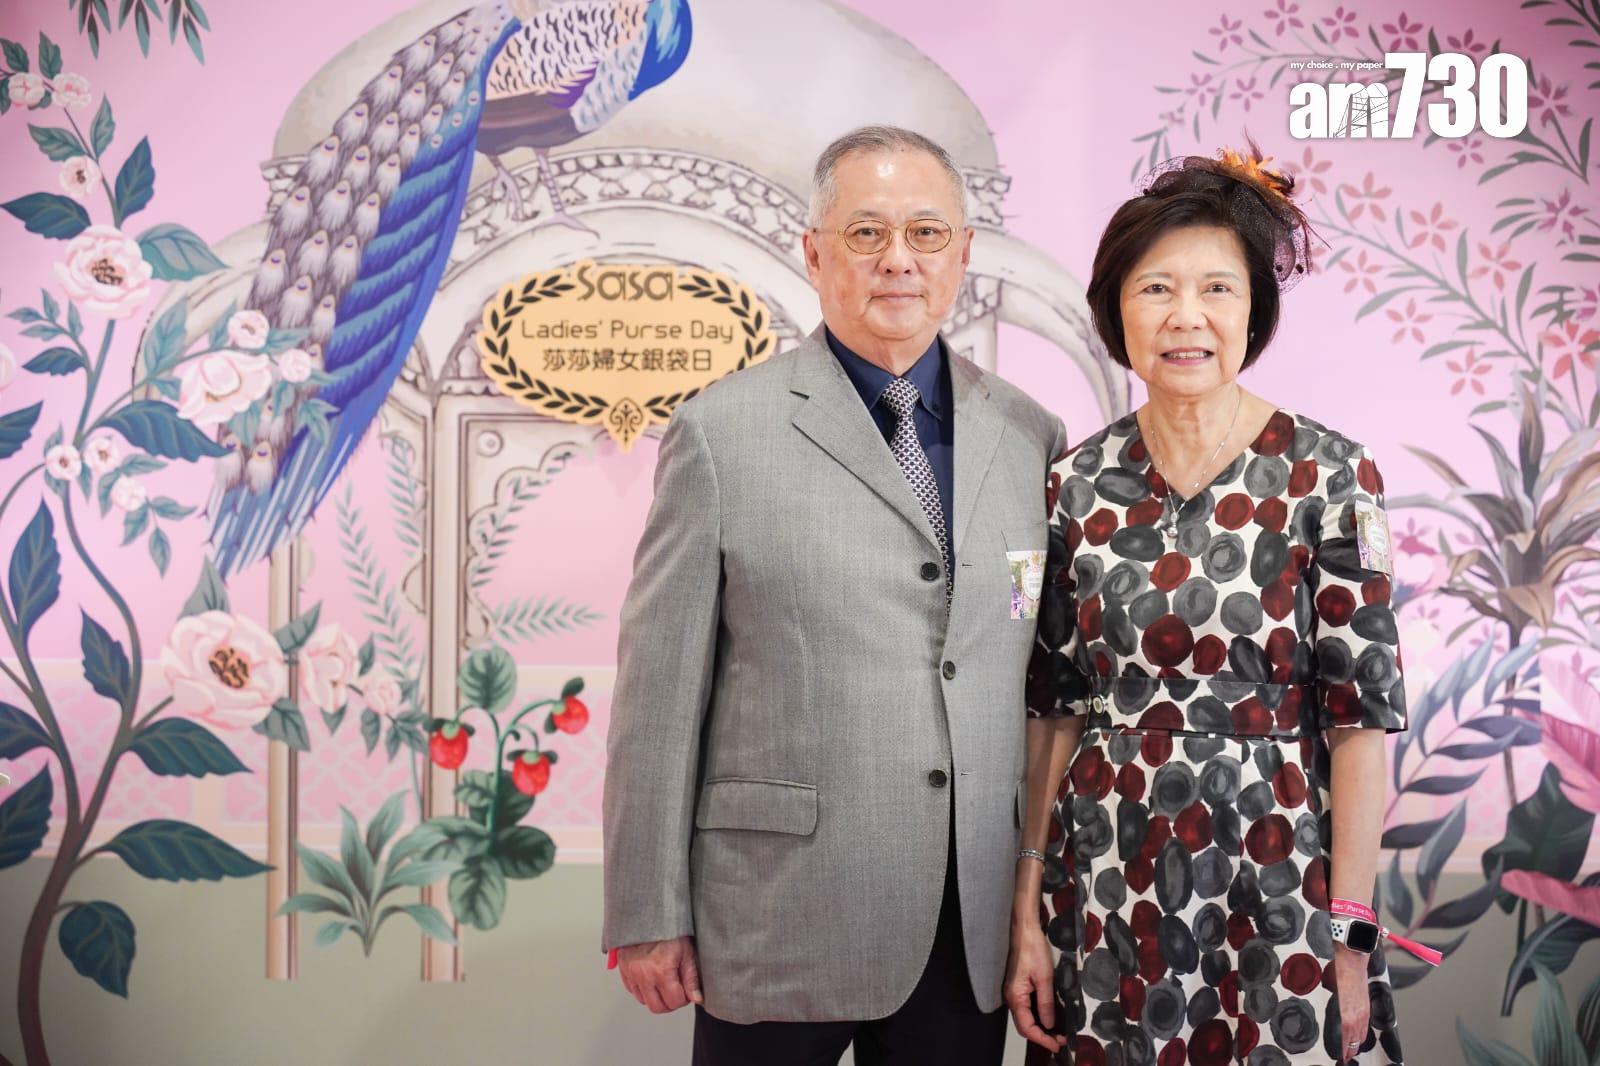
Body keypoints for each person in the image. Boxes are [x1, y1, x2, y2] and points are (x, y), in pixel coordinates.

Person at [602, 124, 1067, 1066]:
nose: (899, 259)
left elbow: (1039, 685)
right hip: (777, 909)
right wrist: (647, 909)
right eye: (866, 233)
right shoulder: (721, 434)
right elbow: (658, 697)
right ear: (814, 253)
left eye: (927, 233)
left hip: (964, 918)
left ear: (963, 254)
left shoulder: (1032, 436)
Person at [1005, 145, 1413, 1065]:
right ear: (1116, 310)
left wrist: (1350, 933)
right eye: (1156, 289)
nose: (1185, 316)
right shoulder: (1074, 482)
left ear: (1253, 311)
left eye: (1217, 289)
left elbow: (1360, 725)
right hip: (1104, 878)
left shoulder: (1331, 475)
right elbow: (1054, 710)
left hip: (1281, 879)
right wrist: (1028, 908)